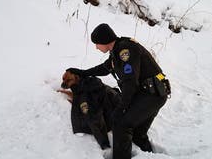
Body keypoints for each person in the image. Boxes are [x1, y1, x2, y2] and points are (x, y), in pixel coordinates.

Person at [67, 23, 171, 159]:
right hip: (151, 94)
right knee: (137, 133)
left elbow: (130, 83)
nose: (96, 47)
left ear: (104, 41)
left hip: (151, 95)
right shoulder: (117, 51)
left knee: (121, 124)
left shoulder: (125, 51)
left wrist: (122, 107)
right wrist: (82, 72)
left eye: (97, 43)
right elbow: (104, 68)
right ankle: (150, 156)